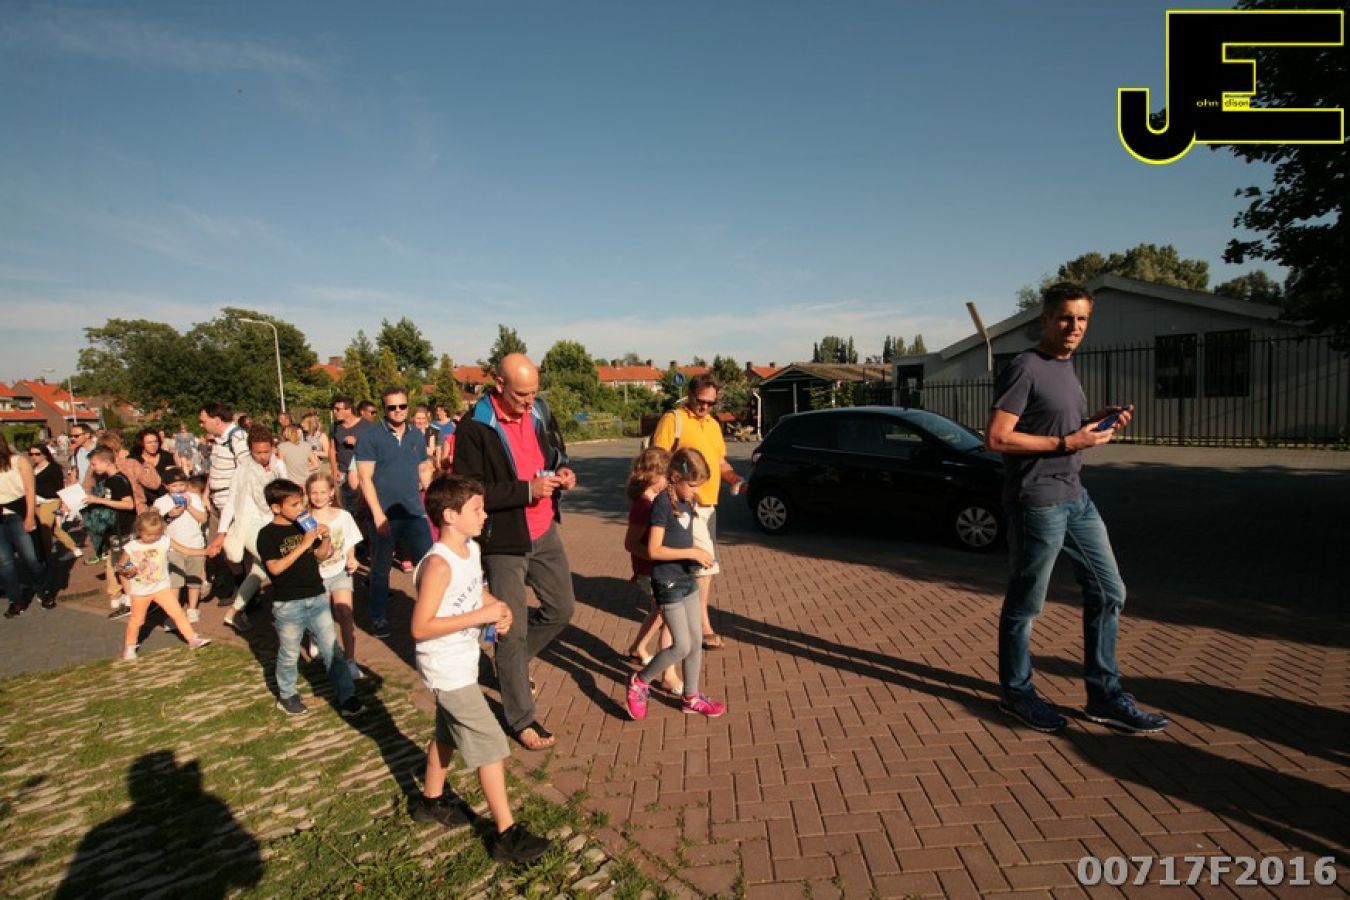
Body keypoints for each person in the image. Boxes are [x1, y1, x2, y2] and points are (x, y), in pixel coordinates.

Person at [986, 281, 1170, 735]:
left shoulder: (1066, 367)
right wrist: (1068, 441)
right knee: (1026, 605)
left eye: (1082, 319)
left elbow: (1058, 428)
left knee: (1109, 592)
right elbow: (997, 437)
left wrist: (1093, 425)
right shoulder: (1025, 367)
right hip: (1037, 503)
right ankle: (1017, 694)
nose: (1074, 327)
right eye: (1066, 317)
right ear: (1046, 320)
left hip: (1076, 497)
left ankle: (1104, 696)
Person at [409, 474, 552, 865]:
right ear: (450, 515)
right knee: (490, 743)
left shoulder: (470, 549)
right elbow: (420, 627)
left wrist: (497, 608)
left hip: (463, 661)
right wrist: (479, 615)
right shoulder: (438, 565)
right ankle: (506, 835)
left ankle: (430, 801)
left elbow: (476, 590)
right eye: (476, 509)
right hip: (446, 668)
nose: (484, 515)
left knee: (446, 734)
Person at [453, 353, 576, 751]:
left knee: (561, 610)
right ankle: (521, 718)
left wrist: (563, 470)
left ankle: (511, 668)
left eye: (534, 392)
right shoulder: (475, 427)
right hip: (504, 540)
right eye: (522, 394)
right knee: (512, 628)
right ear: (499, 385)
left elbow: (556, 451)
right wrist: (526, 491)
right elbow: (469, 491)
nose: (529, 401)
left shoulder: (539, 410)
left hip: (545, 530)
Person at [626, 448, 726, 720]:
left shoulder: (685, 501)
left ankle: (691, 697)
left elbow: (680, 537)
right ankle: (640, 682)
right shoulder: (661, 504)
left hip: (686, 578)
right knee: (681, 645)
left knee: (695, 641)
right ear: (675, 478)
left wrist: (697, 554)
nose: (696, 492)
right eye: (692, 486)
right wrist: (692, 552)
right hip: (667, 582)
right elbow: (654, 549)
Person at [649, 374, 746, 650]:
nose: (705, 407)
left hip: (708, 506)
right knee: (705, 565)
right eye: (701, 401)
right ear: (690, 395)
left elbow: (720, 461)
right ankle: (701, 627)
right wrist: (670, 496)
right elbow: (657, 459)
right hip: (685, 507)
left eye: (710, 403)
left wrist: (734, 479)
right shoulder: (674, 419)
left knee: (700, 567)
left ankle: (652, 639)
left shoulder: (713, 424)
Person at [256, 478, 364, 718]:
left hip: (316, 596)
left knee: (331, 649)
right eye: (294, 505)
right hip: (288, 603)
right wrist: (303, 544)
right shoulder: (267, 535)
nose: (301, 508)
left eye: (300, 502)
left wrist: (324, 538)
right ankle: (287, 695)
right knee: (290, 653)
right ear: (276, 508)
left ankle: (347, 696)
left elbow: (320, 556)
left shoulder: (304, 525)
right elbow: (275, 568)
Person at [355, 387, 434, 638]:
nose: (398, 411)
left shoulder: (416, 435)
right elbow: (365, 479)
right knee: (381, 567)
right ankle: (378, 616)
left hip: (414, 512)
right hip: (384, 514)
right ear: (384, 408)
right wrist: (378, 515)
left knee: (429, 564)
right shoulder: (371, 437)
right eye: (392, 407)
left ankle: (432, 612)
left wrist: (434, 503)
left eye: (402, 406)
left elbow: (423, 470)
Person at [208, 426, 289, 632]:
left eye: (266, 451)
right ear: (250, 450)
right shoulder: (242, 470)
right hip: (249, 525)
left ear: (273, 447)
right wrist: (221, 533)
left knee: (259, 570)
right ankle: (289, 612)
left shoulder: (279, 466)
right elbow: (231, 502)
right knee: (278, 565)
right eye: (257, 452)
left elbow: (286, 493)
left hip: (272, 522)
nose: (263, 456)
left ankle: (234, 612)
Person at [622, 446, 682, 694]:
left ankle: (638, 647)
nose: (669, 482)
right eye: (666, 476)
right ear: (653, 475)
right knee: (669, 618)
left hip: (658, 569)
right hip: (651, 571)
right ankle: (668, 674)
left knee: (659, 612)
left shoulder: (655, 501)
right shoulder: (643, 506)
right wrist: (658, 556)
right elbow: (630, 543)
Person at [115, 510, 212, 660]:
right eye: (149, 535)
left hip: (161, 588)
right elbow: (120, 565)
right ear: (140, 531)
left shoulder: (164, 540)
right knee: (137, 620)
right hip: (140, 591)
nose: (153, 537)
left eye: (157, 534)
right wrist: (128, 570)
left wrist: (206, 551)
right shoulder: (132, 546)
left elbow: (185, 550)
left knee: (177, 613)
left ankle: (192, 638)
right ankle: (130, 646)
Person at [306, 472, 363, 680]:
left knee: (345, 614)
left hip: (340, 571)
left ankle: (350, 661)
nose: (319, 496)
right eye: (314, 492)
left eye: (323, 492)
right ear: (308, 494)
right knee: (321, 618)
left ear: (332, 492)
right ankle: (314, 637)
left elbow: (349, 540)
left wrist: (352, 558)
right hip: (316, 575)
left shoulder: (343, 516)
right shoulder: (306, 519)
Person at [0, 434, 56, 616]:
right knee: (5, 562)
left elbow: (30, 490)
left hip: (18, 513)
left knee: (31, 558)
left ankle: (43, 590)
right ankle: (15, 600)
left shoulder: (18, 461)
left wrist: (30, 516)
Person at [82, 447, 136, 616]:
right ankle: (130, 597)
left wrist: (98, 500)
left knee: (122, 565)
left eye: (94, 464)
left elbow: (129, 504)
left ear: (106, 462)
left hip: (122, 530)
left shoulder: (117, 481)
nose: (92, 468)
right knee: (120, 563)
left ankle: (131, 601)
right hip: (116, 530)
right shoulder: (110, 480)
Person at [152, 467, 209, 623]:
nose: (179, 488)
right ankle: (174, 612)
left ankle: (192, 608)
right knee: (174, 581)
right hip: (173, 547)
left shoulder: (193, 497)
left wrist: (188, 506)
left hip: (195, 544)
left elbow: (203, 518)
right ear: (166, 486)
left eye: (182, 484)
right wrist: (169, 515)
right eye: (174, 486)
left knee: (194, 579)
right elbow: (155, 524)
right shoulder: (161, 502)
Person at [29, 444, 80, 562]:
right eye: (31, 454)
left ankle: (45, 556)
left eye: (37, 454)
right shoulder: (33, 468)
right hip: (36, 502)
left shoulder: (53, 468)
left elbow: (59, 487)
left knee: (44, 528)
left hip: (50, 501)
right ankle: (74, 548)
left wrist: (63, 504)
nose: (33, 456)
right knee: (54, 529)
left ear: (45, 454)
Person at [328, 396, 372, 523]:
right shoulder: (334, 427)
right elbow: (332, 449)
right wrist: (334, 469)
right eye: (334, 409)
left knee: (362, 508)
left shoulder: (367, 426)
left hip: (361, 473)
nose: (335, 412)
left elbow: (375, 448)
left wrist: (357, 443)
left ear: (349, 409)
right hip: (342, 473)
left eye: (338, 409)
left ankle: (363, 532)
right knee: (344, 507)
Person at [131, 429, 174, 505]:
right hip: (145, 501)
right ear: (141, 444)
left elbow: (172, 478)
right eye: (149, 443)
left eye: (155, 441)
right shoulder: (134, 460)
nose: (153, 445)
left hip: (166, 498)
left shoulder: (166, 456)